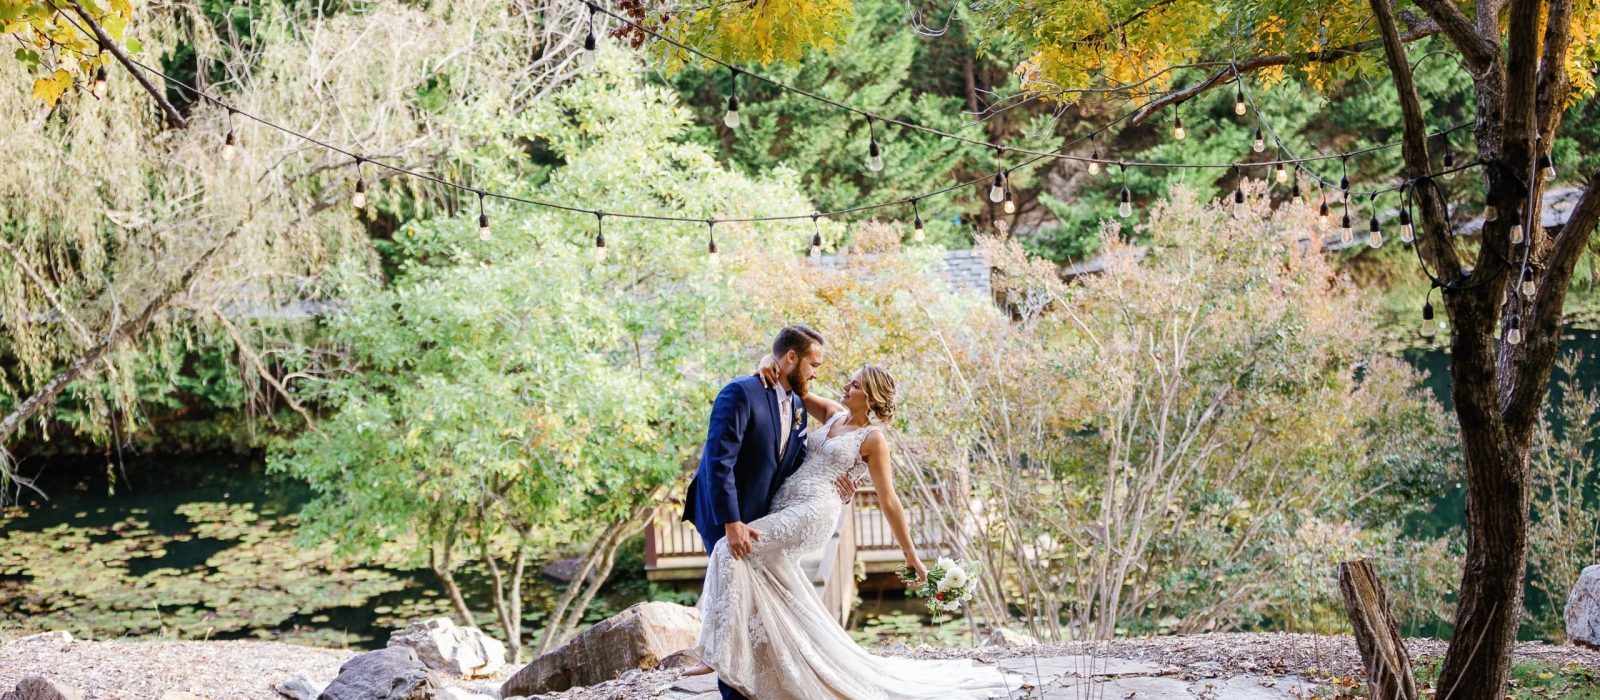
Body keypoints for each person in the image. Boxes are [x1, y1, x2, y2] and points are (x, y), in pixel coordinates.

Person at [683, 336, 1015, 699]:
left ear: (869, 398)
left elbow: (889, 501)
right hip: (786, 504)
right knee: (763, 575)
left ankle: (715, 652)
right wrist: (768, 360)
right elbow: (789, 383)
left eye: (854, 384)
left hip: (815, 511)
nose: (844, 385)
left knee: (730, 552)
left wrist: (911, 555)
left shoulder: (873, 439)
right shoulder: (833, 414)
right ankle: (771, 664)